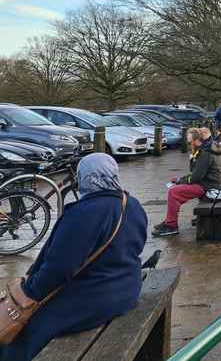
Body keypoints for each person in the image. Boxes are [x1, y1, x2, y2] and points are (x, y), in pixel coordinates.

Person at [0, 153, 147, 361]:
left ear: (85, 178)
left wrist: (29, 293)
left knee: (21, 334)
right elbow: (137, 245)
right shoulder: (132, 204)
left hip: (95, 298)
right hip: (126, 288)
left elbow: (57, 270)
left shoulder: (83, 214)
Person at [152, 127, 221, 236]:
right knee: (176, 190)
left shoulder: (205, 153)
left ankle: (171, 226)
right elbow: (194, 172)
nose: (190, 145)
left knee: (173, 192)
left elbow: (195, 177)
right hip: (207, 183)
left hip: (207, 186)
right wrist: (192, 158)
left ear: (196, 140)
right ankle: (169, 220)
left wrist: (181, 180)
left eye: (190, 142)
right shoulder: (204, 150)